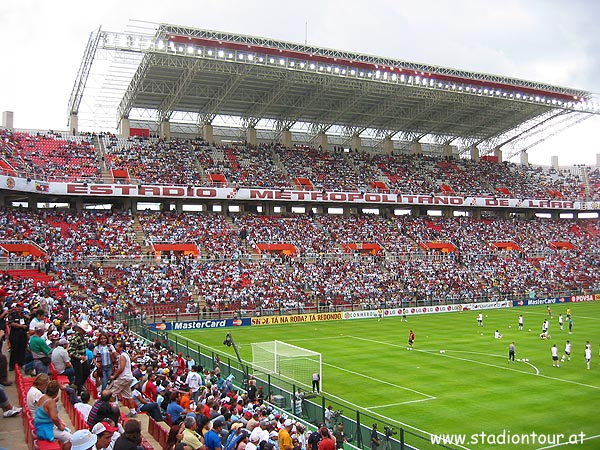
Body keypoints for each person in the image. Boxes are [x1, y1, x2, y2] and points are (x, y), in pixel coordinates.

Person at [34, 380, 73, 450]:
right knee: (70, 438)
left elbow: (46, 407)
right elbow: (54, 418)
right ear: (56, 392)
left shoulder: (43, 397)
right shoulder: (51, 403)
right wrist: (60, 426)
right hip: (46, 428)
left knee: (68, 430)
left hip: (40, 426)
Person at [110, 340, 136, 417]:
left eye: (117, 346)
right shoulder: (125, 354)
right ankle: (133, 412)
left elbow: (121, 368)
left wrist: (114, 376)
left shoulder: (122, 356)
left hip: (123, 378)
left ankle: (114, 412)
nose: (115, 347)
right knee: (128, 395)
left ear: (121, 347)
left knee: (111, 393)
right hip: (128, 378)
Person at [70, 321, 91, 391]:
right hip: (77, 360)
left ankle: (77, 385)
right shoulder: (75, 338)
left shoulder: (82, 337)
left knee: (86, 371)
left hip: (83, 359)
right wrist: (79, 356)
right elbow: (71, 351)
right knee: (79, 376)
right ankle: (78, 389)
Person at [7, 302, 29, 370]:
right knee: (14, 350)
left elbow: (27, 324)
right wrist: (21, 326)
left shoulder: (24, 315)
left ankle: (21, 363)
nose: (18, 308)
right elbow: (11, 323)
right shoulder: (12, 314)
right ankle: (12, 366)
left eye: (19, 307)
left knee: (22, 349)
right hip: (15, 334)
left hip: (22, 334)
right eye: (17, 306)